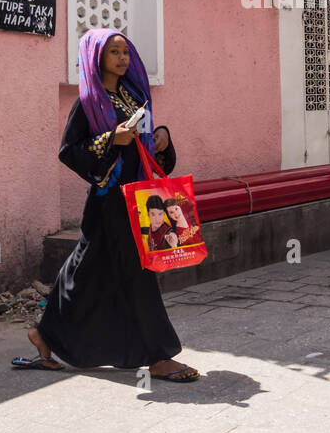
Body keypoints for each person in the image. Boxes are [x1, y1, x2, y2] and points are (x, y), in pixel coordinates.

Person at [11, 29, 199, 382]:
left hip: (138, 196)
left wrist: (162, 137)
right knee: (138, 272)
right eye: (113, 52)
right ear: (96, 57)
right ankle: (158, 356)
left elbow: (143, 145)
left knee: (87, 270)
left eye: (125, 52)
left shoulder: (131, 96)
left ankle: (45, 333)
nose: (122, 58)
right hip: (109, 200)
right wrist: (111, 139)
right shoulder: (87, 102)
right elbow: (69, 151)